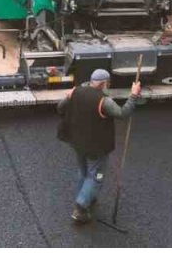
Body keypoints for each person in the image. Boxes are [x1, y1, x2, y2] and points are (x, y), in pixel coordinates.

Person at [56, 69, 142, 225]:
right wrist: (134, 95)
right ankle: (80, 207)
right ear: (104, 83)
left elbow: (60, 108)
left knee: (83, 171)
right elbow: (122, 113)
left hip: (76, 142)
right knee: (96, 175)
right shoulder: (104, 101)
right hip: (96, 146)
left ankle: (88, 196)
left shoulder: (76, 91)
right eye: (108, 83)